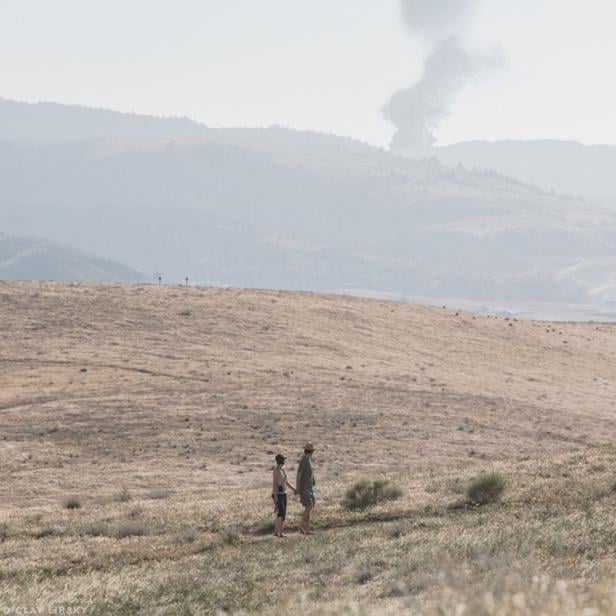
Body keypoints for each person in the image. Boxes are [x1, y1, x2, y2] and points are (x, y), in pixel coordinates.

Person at [272, 453, 296, 538]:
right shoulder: (276, 471)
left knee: (283, 513)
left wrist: (293, 489)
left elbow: (286, 482)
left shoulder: (282, 470)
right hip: (278, 494)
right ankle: (276, 532)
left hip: (284, 493)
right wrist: (275, 497)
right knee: (280, 513)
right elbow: (274, 484)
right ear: (281, 460)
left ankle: (281, 533)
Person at [296, 442, 316, 535]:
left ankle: (307, 530)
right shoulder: (304, 459)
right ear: (311, 451)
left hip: (309, 487)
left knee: (310, 506)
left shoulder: (308, 459)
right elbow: (299, 473)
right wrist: (298, 488)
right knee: (309, 506)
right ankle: (300, 526)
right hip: (304, 487)